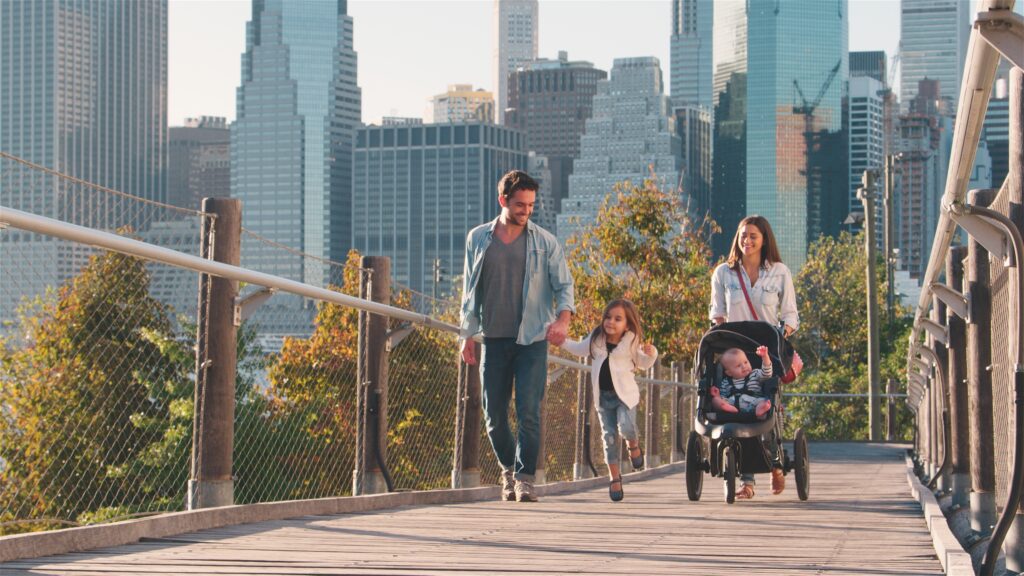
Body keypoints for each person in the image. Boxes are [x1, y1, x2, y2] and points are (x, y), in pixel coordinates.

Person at [459, 170, 574, 503]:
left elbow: (564, 285)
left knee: (528, 411)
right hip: (493, 338)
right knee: (493, 415)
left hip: (532, 339)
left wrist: (563, 320)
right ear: (503, 201)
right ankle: (508, 469)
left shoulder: (545, 242)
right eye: (520, 204)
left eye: (531, 205)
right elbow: (470, 291)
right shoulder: (478, 238)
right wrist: (466, 334)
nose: (526, 210)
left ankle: (524, 479)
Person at [709, 215, 802, 500]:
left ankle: (774, 462)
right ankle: (746, 481)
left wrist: (780, 336)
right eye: (743, 235)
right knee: (737, 408)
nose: (747, 241)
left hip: (765, 350)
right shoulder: (724, 273)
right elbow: (717, 313)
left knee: (765, 408)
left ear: (764, 241)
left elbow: (790, 314)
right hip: (735, 350)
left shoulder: (779, 272)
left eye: (753, 236)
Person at [559, 299, 658, 502]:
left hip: (625, 397)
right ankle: (614, 477)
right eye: (608, 317)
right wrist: (560, 340)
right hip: (603, 398)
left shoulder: (631, 341)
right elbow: (579, 349)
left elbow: (644, 363)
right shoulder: (597, 338)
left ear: (627, 325)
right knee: (609, 438)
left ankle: (633, 445)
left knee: (627, 428)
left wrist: (652, 353)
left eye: (618, 319)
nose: (610, 322)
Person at [711, 346, 773, 418]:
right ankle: (727, 408)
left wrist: (765, 357)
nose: (744, 366)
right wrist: (717, 395)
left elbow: (767, 374)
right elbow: (723, 396)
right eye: (738, 366)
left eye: (745, 362)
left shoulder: (755, 374)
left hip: (752, 402)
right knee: (715, 400)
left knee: (764, 401)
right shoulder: (726, 382)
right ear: (729, 373)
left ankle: (758, 409)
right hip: (732, 403)